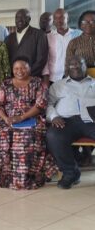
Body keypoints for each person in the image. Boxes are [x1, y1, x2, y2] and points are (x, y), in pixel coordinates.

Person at [0, 56, 56, 190]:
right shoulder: (6, 84)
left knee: (26, 136)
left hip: (32, 118)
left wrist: (21, 117)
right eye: (16, 68)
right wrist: (5, 118)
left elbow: (40, 105)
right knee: (2, 133)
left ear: (29, 68)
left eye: (23, 68)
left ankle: (26, 176)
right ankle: (5, 176)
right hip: (8, 119)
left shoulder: (38, 83)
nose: (19, 71)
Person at [46, 56, 95, 189]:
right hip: (66, 121)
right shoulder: (58, 85)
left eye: (80, 63)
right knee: (53, 135)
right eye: (72, 64)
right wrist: (54, 116)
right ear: (67, 68)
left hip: (91, 120)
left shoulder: (94, 83)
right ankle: (70, 173)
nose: (76, 66)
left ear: (86, 66)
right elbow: (48, 104)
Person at [42, 8, 82, 85]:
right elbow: (45, 59)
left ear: (67, 18)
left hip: (74, 77)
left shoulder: (78, 34)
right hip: (53, 78)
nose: (59, 21)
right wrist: (45, 78)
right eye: (56, 18)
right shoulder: (48, 37)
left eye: (61, 17)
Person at [5, 9, 48, 77]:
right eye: (17, 17)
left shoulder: (39, 34)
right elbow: (6, 60)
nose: (19, 20)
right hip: (14, 80)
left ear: (29, 19)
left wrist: (26, 74)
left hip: (32, 78)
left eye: (23, 17)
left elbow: (41, 60)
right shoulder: (9, 38)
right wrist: (14, 75)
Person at [65, 10, 95, 77]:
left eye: (92, 21)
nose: (88, 24)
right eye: (84, 22)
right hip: (81, 79)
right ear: (80, 24)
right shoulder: (73, 42)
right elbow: (68, 64)